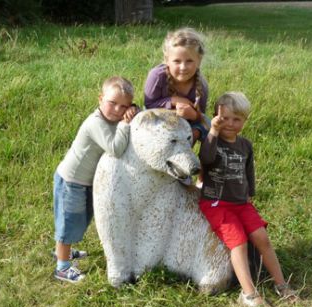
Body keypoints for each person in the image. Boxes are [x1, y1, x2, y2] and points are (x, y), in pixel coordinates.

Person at [199, 92, 298, 307]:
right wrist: (213, 131)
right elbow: (205, 159)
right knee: (238, 241)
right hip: (216, 203)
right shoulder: (212, 141)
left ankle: (281, 284)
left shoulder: (245, 145)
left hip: (241, 203)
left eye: (237, 119)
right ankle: (249, 294)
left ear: (245, 120)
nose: (230, 124)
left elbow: (248, 171)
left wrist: (250, 192)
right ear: (215, 117)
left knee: (262, 237)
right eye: (224, 119)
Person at [53, 76, 139, 283]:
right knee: (68, 222)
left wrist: (135, 111)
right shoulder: (96, 123)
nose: (118, 110)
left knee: (82, 220)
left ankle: (64, 251)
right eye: (113, 103)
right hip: (72, 181)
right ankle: (62, 266)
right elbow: (115, 148)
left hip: (87, 182)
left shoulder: (115, 119)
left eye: (124, 106)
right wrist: (126, 125)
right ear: (100, 98)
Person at [144, 27, 210, 145]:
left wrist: (193, 115)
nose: (183, 67)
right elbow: (148, 105)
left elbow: (201, 116)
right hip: (158, 119)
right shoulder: (157, 76)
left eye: (189, 61)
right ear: (167, 60)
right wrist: (173, 100)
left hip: (186, 123)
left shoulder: (201, 85)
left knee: (208, 124)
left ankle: (185, 148)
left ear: (199, 61)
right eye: (177, 61)